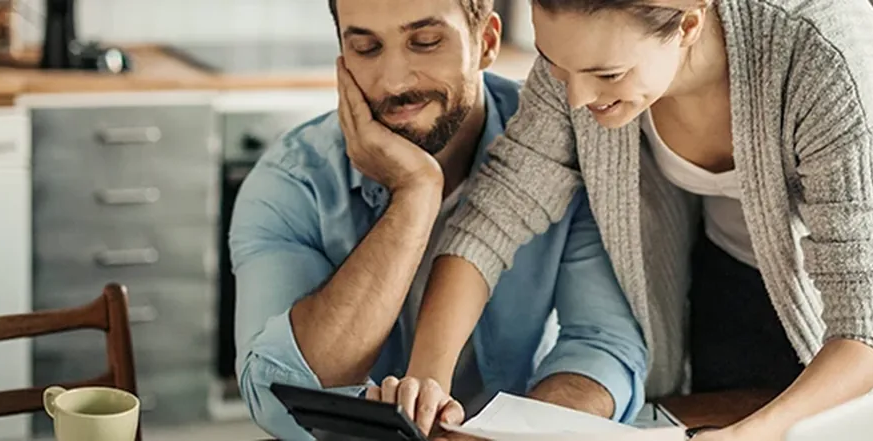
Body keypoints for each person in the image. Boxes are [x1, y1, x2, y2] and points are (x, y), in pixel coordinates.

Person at [377, 0, 873, 439]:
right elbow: (494, 214)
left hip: (868, 310)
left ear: (688, 23)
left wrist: (752, 434)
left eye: (607, 76)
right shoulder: (583, 61)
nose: (578, 99)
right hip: (729, 278)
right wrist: (428, 378)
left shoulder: (821, 49)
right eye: (557, 66)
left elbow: (865, 328)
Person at [229, 0, 649, 439]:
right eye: (366, 48)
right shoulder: (293, 181)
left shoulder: (561, 149)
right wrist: (415, 196)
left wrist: (514, 433)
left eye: (425, 42)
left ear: (485, 42)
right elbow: (277, 398)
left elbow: (602, 345)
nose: (394, 80)